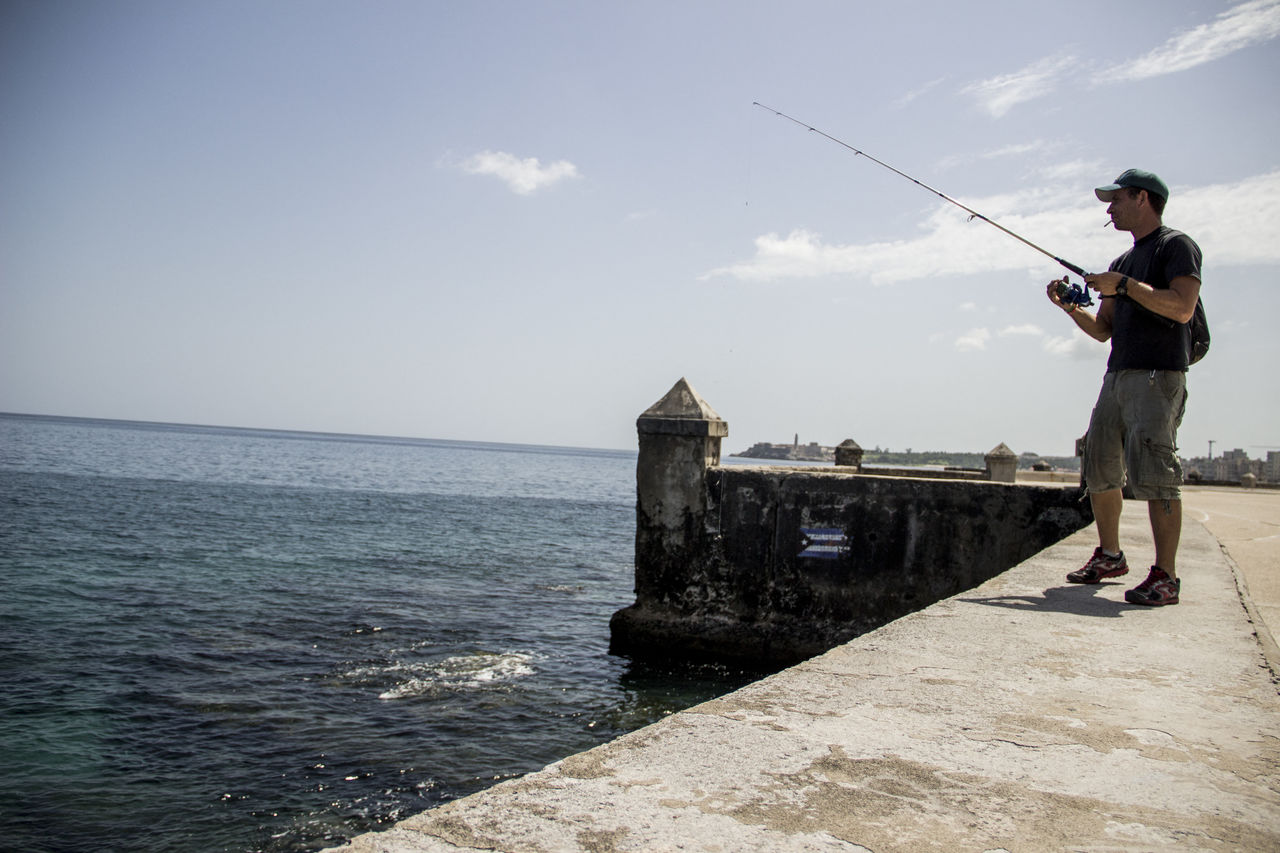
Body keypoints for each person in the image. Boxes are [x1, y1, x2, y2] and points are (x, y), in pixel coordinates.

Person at [1046, 169, 1202, 606]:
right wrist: (1069, 308)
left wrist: (1126, 287)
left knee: (1156, 474)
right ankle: (1110, 556)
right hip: (1117, 375)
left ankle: (1166, 576)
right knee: (1098, 465)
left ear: (1142, 198)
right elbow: (1103, 330)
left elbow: (1183, 308)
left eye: (1116, 200)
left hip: (1158, 376)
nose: (1109, 209)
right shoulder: (1120, 263)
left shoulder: (1176, 246)